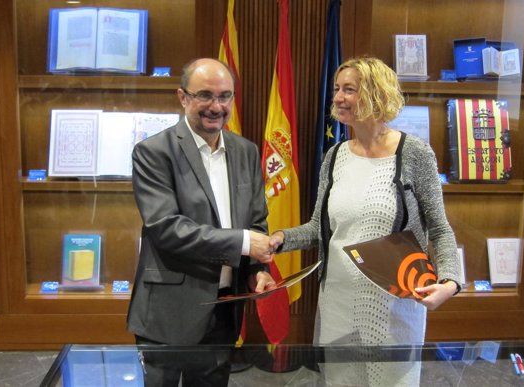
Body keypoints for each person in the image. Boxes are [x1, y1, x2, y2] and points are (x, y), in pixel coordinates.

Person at [269, 56, 462, 386]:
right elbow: (319, 227)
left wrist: (451, 282)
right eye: (336, 89)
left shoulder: (415, 153)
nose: (338, 97)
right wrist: (279, 240)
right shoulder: (335, 156)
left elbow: (440, 228)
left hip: (394, 308)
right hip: (338, 306)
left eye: (349, 90)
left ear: (376, 93)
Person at [127, 58, 277, 387]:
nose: (216, 106)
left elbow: (256, 222)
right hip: (169, 313)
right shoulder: (153, 152)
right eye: (204, 95)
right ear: (183, 97)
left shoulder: (246, 152)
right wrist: (243, 243)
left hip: (224, 309)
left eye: (225, 96)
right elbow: (166, 228)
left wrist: (256, 270)